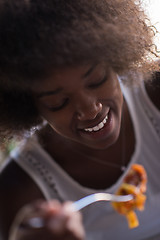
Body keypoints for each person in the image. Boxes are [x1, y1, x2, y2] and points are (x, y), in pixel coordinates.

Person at [0, 0, 160, 239]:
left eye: (97, 80)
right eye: (58, 102)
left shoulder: (155, 96)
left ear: (115, 60)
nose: (90, 110)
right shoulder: (18, 192)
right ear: (28, 107)